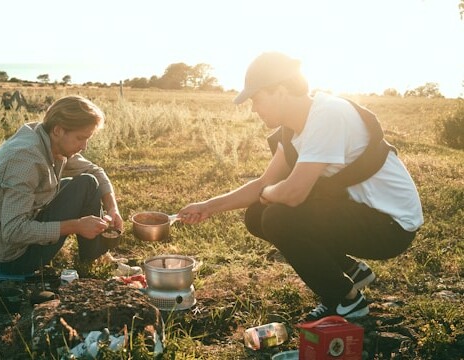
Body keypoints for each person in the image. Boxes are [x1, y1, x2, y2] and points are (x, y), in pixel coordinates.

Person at [178, 52, 423, 321]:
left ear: (281, 91)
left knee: (277, 216)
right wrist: (207, 207)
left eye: (256, 99)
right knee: (257, 216)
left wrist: (267, 194)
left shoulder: (328, 114)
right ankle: (352, 271)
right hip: (359, 211)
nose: (254, 108)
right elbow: (263, 183)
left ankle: (346, 300)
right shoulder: (292, 130)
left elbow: (293, 194)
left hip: (390, 226)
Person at [0, 95, 123, 278]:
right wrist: (76, 226)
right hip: (12, 257)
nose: (84, 146)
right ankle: (93, 256)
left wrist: (112, 208)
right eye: (80, 138)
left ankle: (93, 256)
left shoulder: (47, 138)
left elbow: (95, 171)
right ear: (58, 130)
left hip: (20, 229)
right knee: (84, 184)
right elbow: (13, 232)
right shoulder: (25, 160)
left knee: (87, 183)